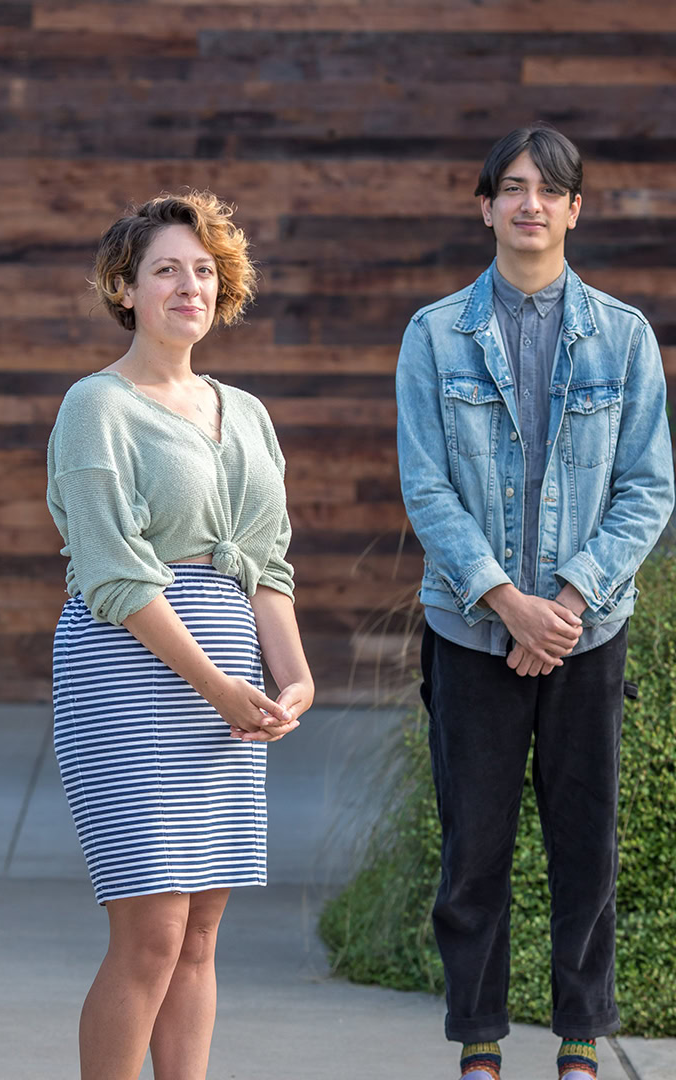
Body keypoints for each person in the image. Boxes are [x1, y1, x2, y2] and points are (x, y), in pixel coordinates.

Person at [396, 124, 674, 1080]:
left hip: (586, 633)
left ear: (574, 208)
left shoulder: (625, 337)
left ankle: (579, 1040)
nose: (530, 204)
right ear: (485, 206)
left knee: (583, 841)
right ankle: (479, 1038)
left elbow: (649, 488)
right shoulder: (433, 335)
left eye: (549, 190)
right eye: (511, 187)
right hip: (470, 632)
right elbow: (427, 488)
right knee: (475, 843)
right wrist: (505, 601)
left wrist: (564, 601)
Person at [46, 191, 313, 1080]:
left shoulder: (246, 412)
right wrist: (219, 686)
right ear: (126, 288)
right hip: (132, 668)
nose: (187, 285)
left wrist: (293, 677)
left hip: (231, 675)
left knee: (201, 930)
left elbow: (265, 563)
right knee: (152, 930)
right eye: (166, 269)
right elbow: (114, 574)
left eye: (204, 271)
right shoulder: (98, 406)